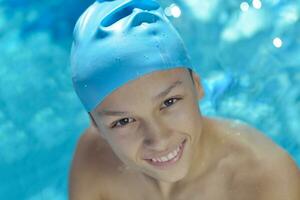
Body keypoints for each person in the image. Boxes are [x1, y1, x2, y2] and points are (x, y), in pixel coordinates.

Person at [68, 0, 300, 199]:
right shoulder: (94, 162)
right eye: (124, 121)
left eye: (169, 102)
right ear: (95, 125)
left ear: (197, 86)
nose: (158, 140)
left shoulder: (267, 181)